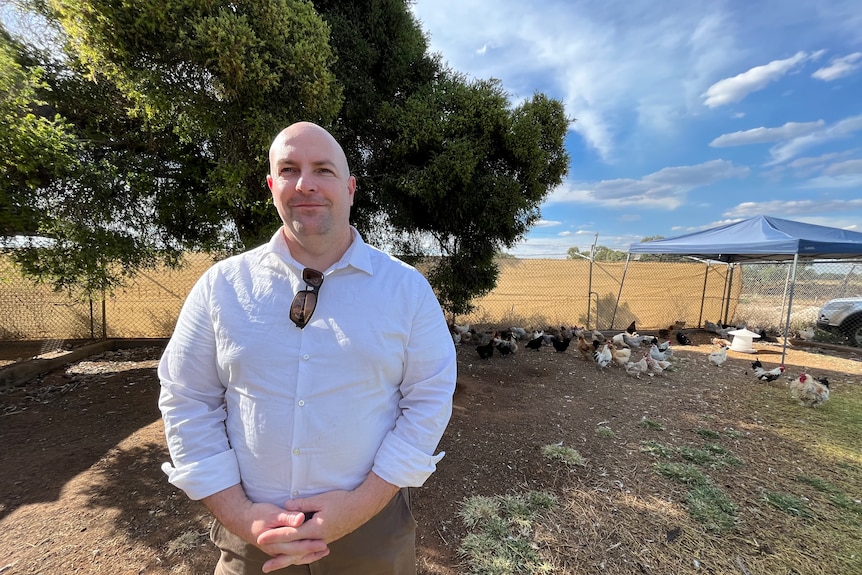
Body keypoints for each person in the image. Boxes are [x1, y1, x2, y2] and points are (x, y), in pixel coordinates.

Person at [158, 121, 457, 574]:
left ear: (351, 188)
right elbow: (187, 399)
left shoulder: (406, 290)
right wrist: (240, 514)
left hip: (372, 533)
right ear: (272, 185)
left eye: (323, 169)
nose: (306, 184)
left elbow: (429, 399)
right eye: (289, 169)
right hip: (251, 541)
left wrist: (360, 504)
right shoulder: (221, 287)